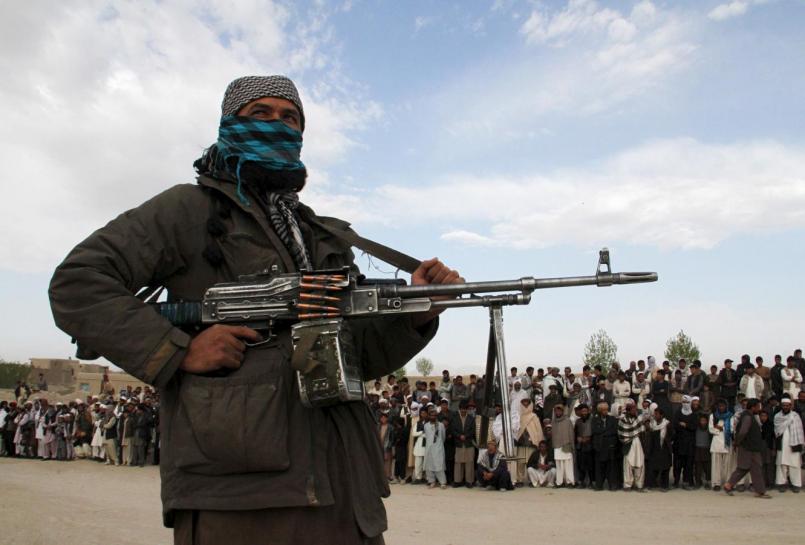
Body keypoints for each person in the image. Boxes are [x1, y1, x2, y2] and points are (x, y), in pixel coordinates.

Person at [48, 75, 463, 544]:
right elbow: (78, 283)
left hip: (343, 491)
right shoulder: (188, 210)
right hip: (241, 493)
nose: (277, 126)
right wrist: (178, 350)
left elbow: (358, 358)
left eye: (290, 118)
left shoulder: (321, 234)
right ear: (229, 124)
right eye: (260, 114)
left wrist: (419, 310)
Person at [724, 399, 771, 498]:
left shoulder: (749, 416)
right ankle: (760, 491)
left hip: (750, 447)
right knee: (754, 468)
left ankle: (728, 485)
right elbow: (743, 432)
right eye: (758, 407)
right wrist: (737, 443)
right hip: (748, 448)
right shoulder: (747, 417)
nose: (759, 409)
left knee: (744, 468)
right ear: (753, 407)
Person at [774, 396, 803, 492]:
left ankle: (796, 484)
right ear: (781, 406)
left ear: (790, 406)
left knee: (794, 464)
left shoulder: (795, 416)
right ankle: (781, 483)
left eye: (787, 406)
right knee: (781, 464)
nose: (785, 407)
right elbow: (777, 430)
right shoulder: (777, 416)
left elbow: (799, 431)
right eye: (784, 405)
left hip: (793, 444)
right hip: (782, 444)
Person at [617, 400, 646, 492]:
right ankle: (627, 485)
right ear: (628, 411)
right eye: (633, 410)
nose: (635, 411)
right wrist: (633, 434)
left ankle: (639, 485)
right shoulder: (622, 420)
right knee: (628, 465)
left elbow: (642, 430)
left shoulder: (638, 419)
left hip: (637, 444)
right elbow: (622, 434)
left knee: (640, 464)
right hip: (628, 445)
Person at [514, 398, 543, 485]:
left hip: (531, 442)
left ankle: (532, 480)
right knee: (520, 462)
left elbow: (539, 430)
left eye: (527, 403)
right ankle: (520, 479)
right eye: (523, 403)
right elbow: (516, 429)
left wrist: (539, 441)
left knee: (531, 462)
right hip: (521, 441)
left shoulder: (534, 416)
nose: (525, 404)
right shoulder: (519, 416)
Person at [672, 395, 698, 490]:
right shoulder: (678, 413)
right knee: (677, 464)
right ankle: (676, 481)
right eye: (684, 402)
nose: (685, 404)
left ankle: (686, 481)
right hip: (679, 442)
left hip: (689, 443)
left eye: (687, 402)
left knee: (688, 463)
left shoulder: (694, 414)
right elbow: (675, 424)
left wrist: (685, 425)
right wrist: (681, 425)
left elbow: (694, 427)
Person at [592, 402, 619, 491]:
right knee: (599, 467)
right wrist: (605, 432)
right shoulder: (595, 420)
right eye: (603, 410)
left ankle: (612, 485)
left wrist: (603, 433)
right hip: (599, 446)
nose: (605, 411)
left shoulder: (612, 419)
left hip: (610, 446)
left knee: (611, 467)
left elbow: (614, 431)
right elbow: (595, 430)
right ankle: (599, 485)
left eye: (606, 409)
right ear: (600, 411)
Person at [708, 399, 733, 491]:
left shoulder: (730, 416)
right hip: (716, 442)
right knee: (716, 465)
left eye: (723, 406)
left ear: (726, 406)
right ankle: (716, 483)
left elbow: (732, 429)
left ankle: (727, 483)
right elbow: (711, 429)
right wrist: (721, 429)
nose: (721, 408)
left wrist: (720, 427)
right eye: (720, 406)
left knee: (727, 465)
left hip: (727, 443)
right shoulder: (713, 416)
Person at [646, 407, 673, 491]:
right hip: (655, 449)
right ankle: (652, 484)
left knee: (665, 468)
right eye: (654, 414)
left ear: (661, 415)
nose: (655, 416)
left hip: (665, 449)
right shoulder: (652, 425)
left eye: (657, 414)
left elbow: (672, 436)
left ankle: (665, 486)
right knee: (653, 468)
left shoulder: (667, 424)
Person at [450, 401, 476, 487]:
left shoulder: (471, 418)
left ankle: (469, 481)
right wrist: (459, 436)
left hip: (469, 443)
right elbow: (453, 430)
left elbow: (473, 430)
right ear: (459, 409)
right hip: (459, 443)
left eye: (465, 409)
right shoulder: (455, 418)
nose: (463, 411)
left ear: (467, 410)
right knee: (458, 462)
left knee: (469, 462)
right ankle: (457, 481)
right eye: (462, 409)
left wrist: (466, 436)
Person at [550, 404, 575, 488]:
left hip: (566, 445)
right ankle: (559, 482)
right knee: (559, 465)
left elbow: (571, 434)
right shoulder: (553, 422)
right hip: (557, 446)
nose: (558, 412)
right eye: (556, 410)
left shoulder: (567, 420)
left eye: (559, 410)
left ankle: (570, 482)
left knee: (568, 464)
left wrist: (572, 445)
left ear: (562, 411)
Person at [574, 403, 594, 489]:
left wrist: (589, 438)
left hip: (590, 445)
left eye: (585, 411)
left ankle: (591, 482)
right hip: (580, 446)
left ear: (588, 411)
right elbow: (575, 433)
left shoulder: (592, 420)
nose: (584, 413)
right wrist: (578, 439)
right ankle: (581, 482)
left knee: (590, 465)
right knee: (581, 465)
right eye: (582, 411)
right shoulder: (578, 421)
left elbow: (595, 432)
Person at [693, 414, 712, 489]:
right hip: (698, 448)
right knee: (698, 467)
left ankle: (707, 482)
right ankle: (698, 481)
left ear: (707, 421)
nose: (703, 422)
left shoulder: (709, 429)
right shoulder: (697, 428)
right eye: (701, 420)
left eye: (704, 421)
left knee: (707, 467)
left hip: (706, 449)